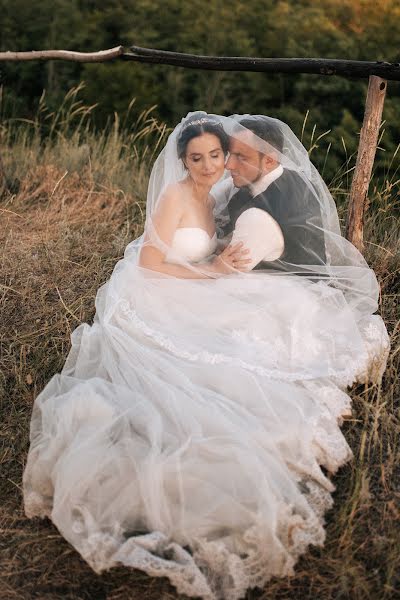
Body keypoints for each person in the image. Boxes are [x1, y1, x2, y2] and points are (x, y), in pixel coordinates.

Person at [23, 111, 390, 600]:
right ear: (183, 160)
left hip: (207, 275)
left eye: (220, 155)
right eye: (200, 157)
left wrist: (226, 261)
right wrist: (215, 270)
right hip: (162, 286)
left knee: (261, 322)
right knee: (211, 354)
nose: (213, 164)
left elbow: (258, 242)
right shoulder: (182, 195)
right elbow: (155, 263)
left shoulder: (230, 193)